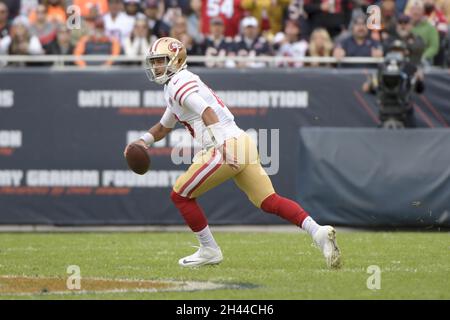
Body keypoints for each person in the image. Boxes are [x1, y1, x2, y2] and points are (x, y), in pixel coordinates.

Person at [124, 37, 342, 269]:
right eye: (154, 61)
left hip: (226, 145)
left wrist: (222, 146)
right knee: (269, 201)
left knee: (180, 195)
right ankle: (318, 231)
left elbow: (206, 110)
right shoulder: (175, 85)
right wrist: (142, 141)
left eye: (161, 61)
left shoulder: (179, 82)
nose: (156, 66)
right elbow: (162, 127)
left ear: (176, 60)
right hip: (243, 141)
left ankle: (209, 249)